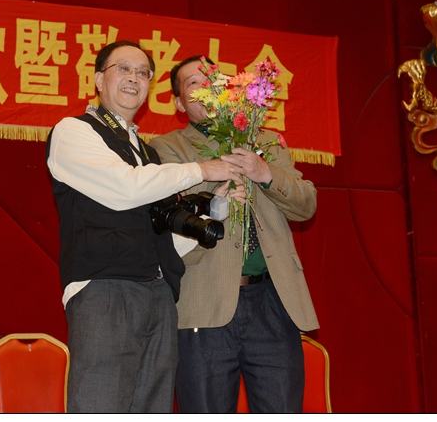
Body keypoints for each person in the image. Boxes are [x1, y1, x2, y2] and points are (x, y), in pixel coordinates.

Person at [45, 42, 243, 413]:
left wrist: (218, 207)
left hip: (159, 293)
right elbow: (125, 189)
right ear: (99, 79)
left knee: (153, 409)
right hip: (106, 289)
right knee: (101, 407)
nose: (134, 78)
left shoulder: (146, 152)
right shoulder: (74, 131)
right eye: (123, 68)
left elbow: (162, 237)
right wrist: (202, 169)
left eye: (143, 73)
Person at [150, 55, 320, 413]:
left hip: (273, 300)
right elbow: (173, 211)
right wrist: (218, 188)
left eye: (212, 80)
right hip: (204, 300)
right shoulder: (167, 148)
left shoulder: (266, 140)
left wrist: (265, 173)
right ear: (179, 103)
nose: (206, 88)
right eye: (193, 83)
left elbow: (306, 205)